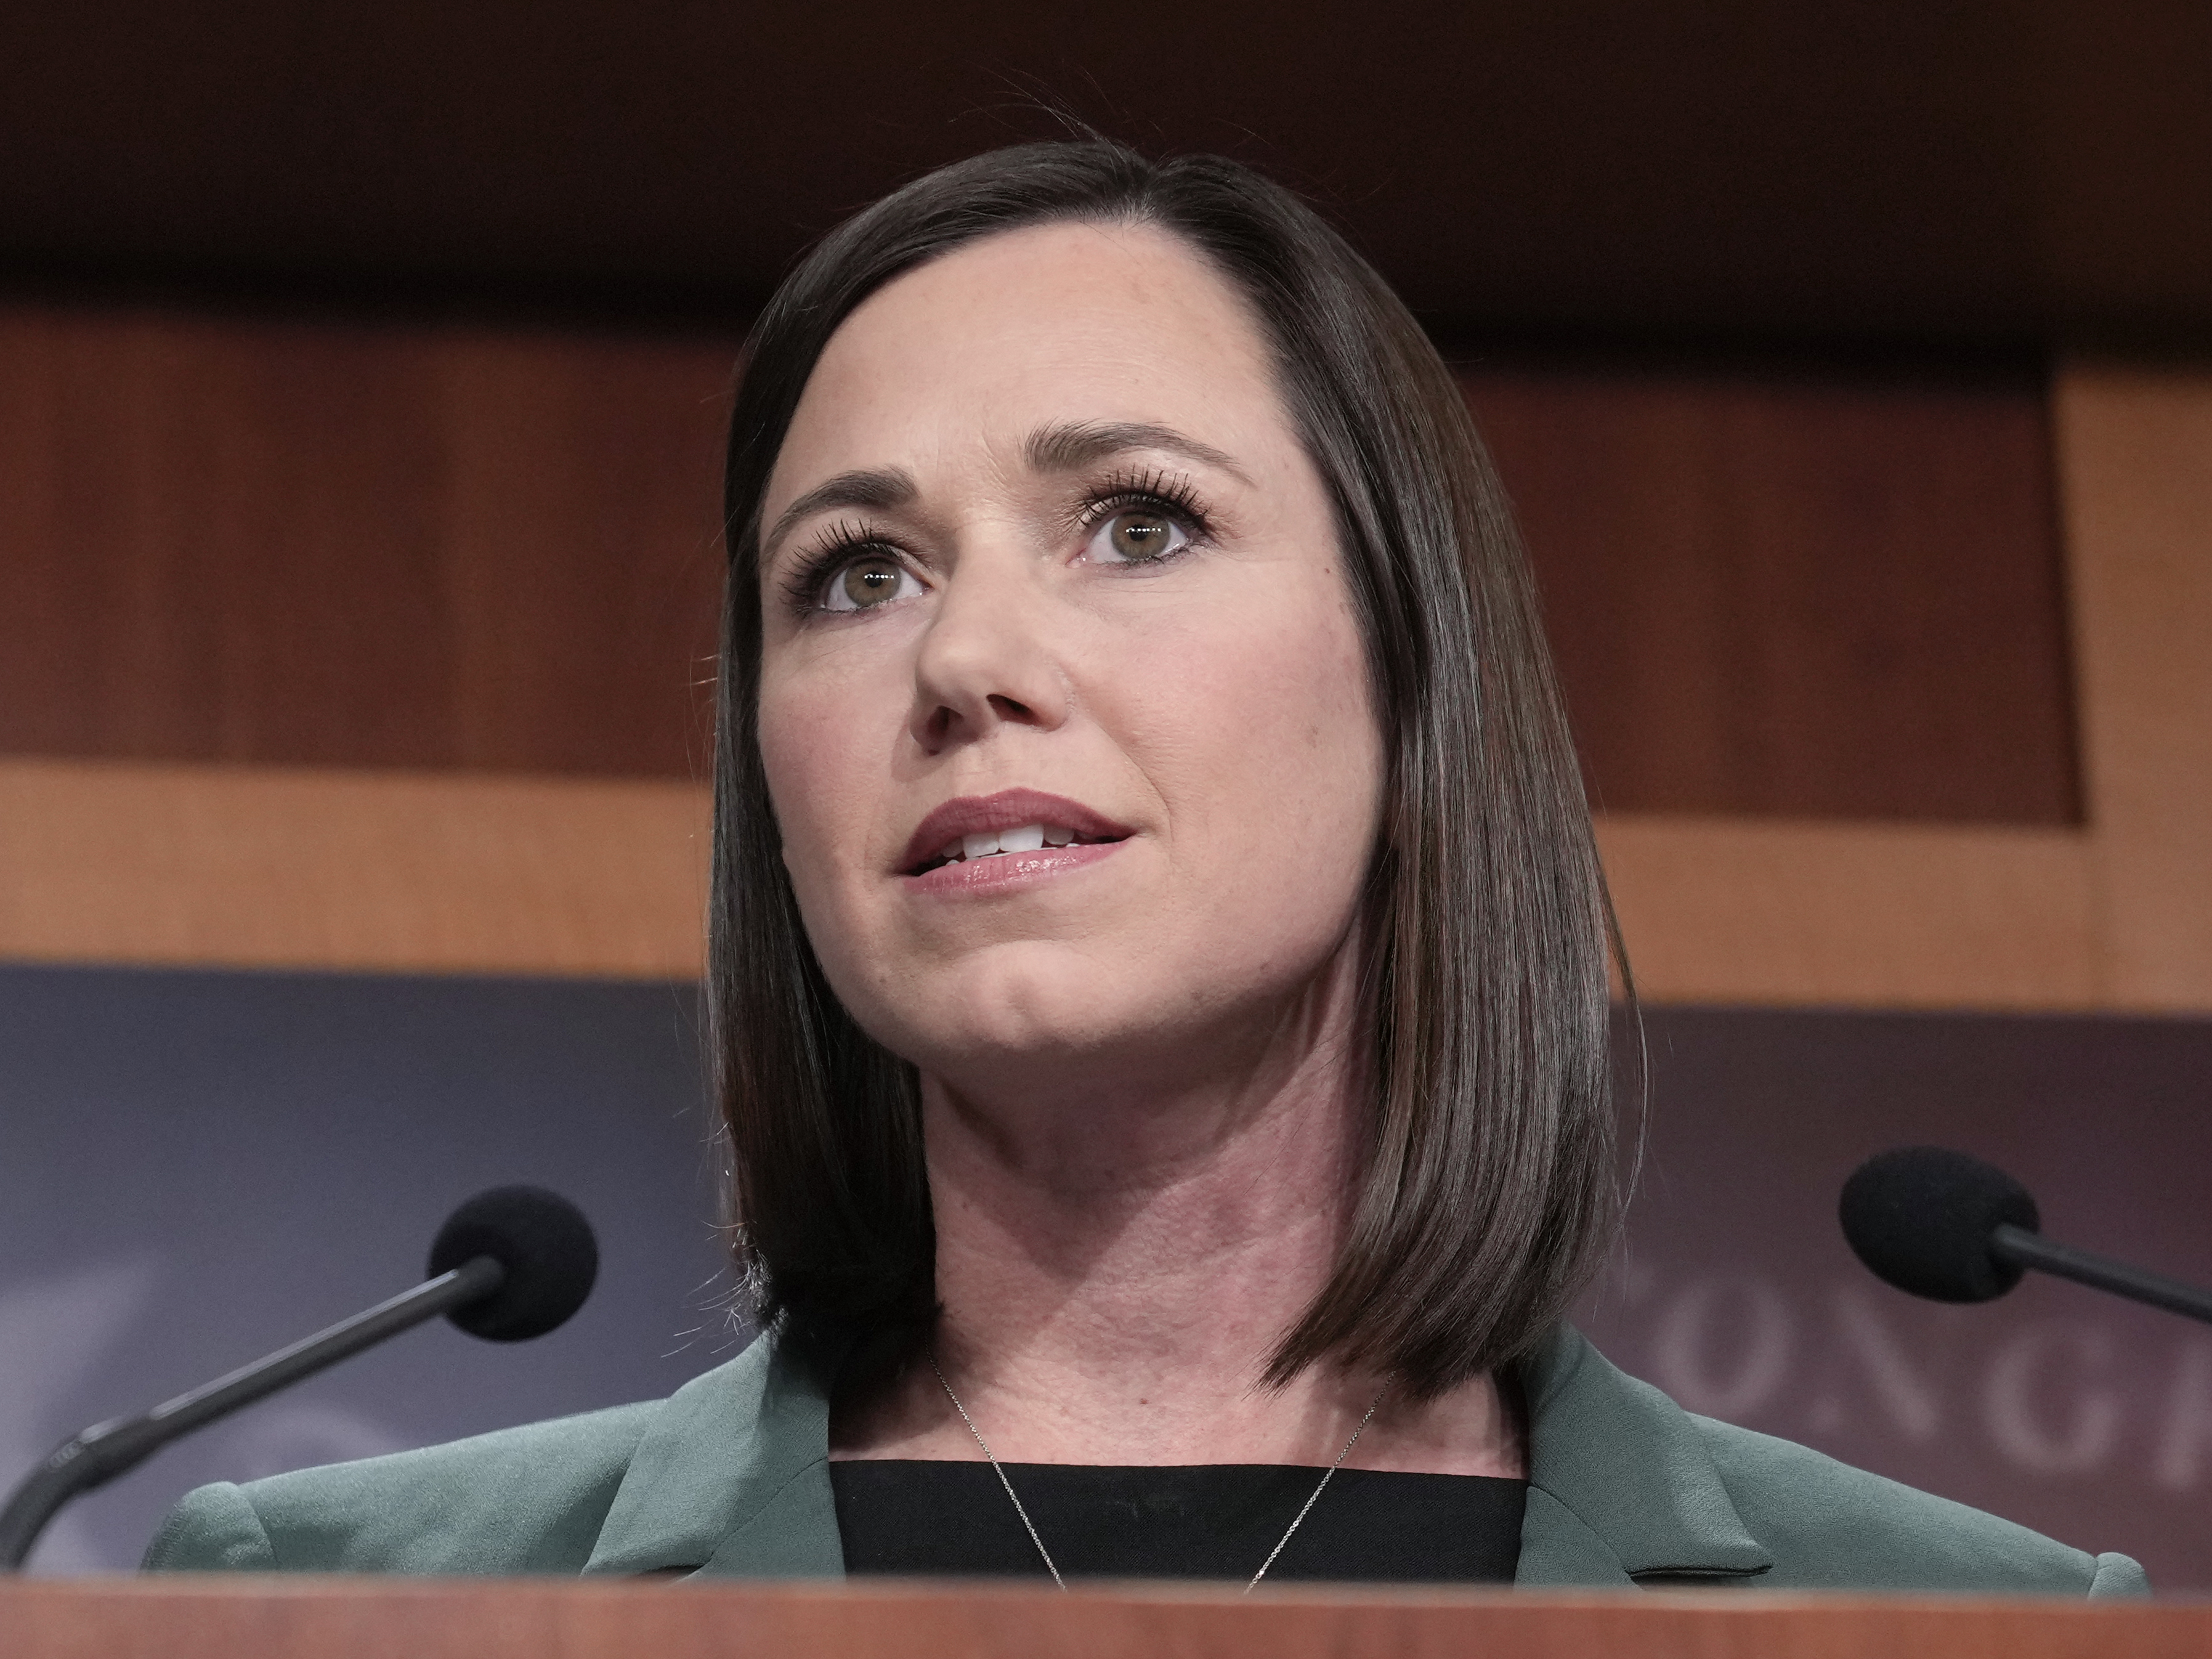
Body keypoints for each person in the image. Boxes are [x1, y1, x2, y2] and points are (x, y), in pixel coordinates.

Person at [145, 140, 2144, 1594]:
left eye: (1139, 524)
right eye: (856, 574)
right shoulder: (345, 1613)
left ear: (1409, 658)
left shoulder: (1974, 1635)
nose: (968, 662)